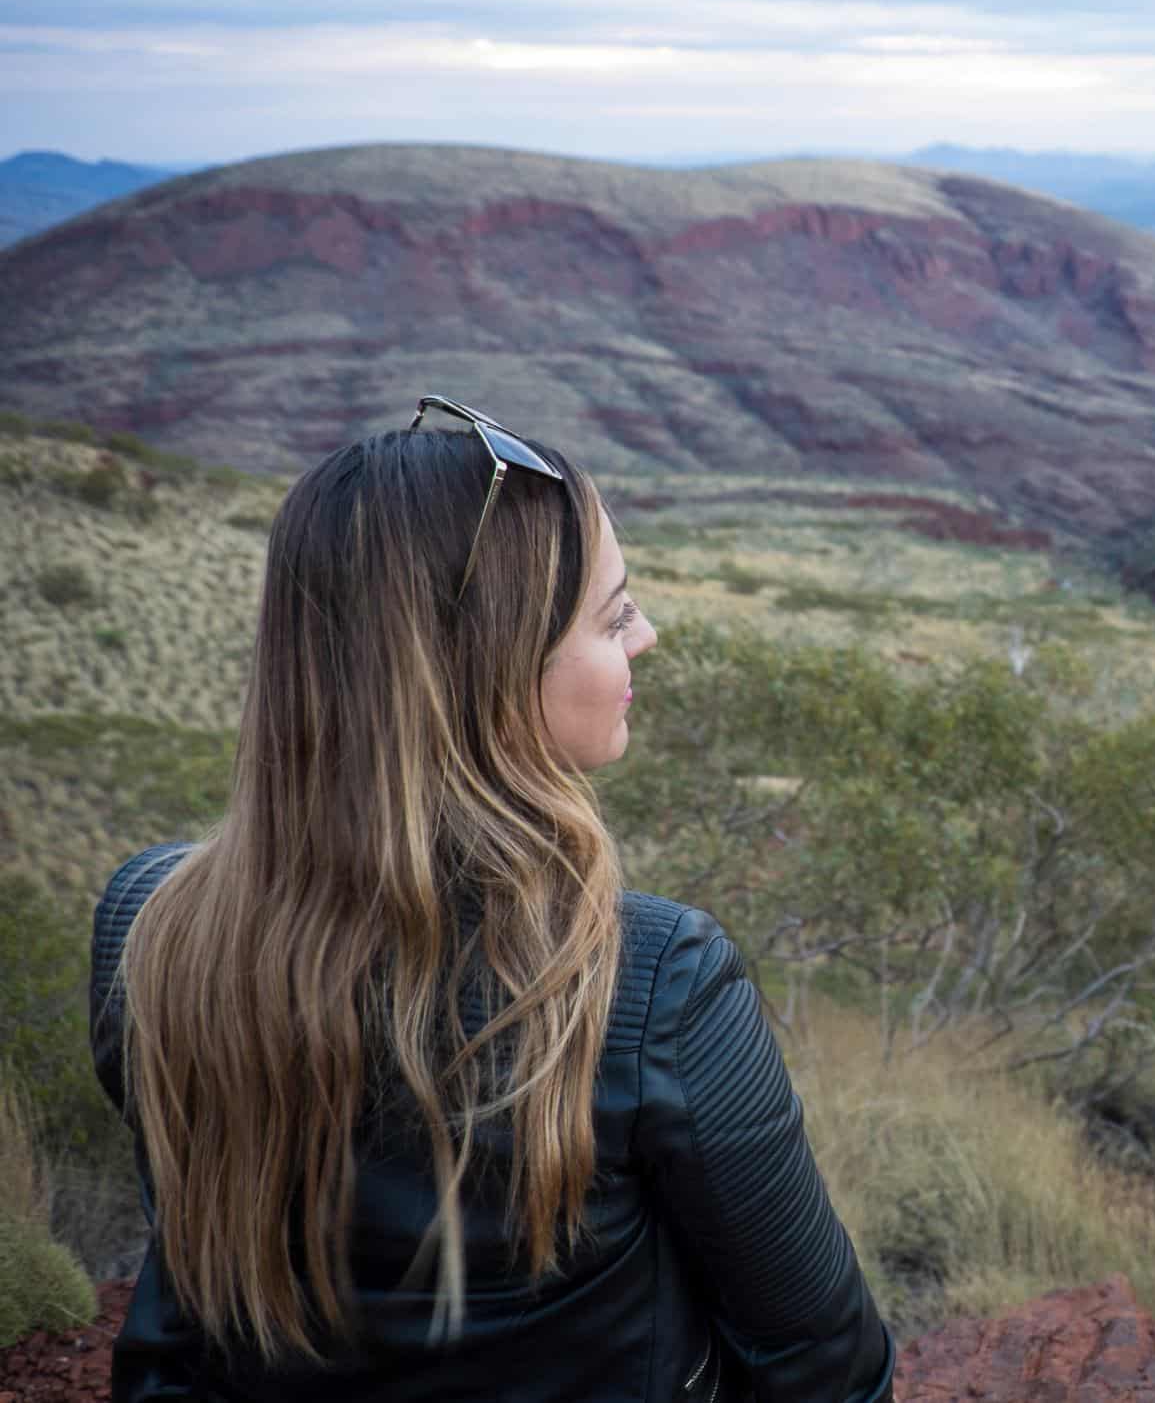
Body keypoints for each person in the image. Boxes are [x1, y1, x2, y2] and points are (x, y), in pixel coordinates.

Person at [88, 397, 894, 1403]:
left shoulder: (149, 924)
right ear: (494, 674)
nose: (647, 636)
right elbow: (823, 1362)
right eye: (613, 615)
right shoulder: (652, 982)